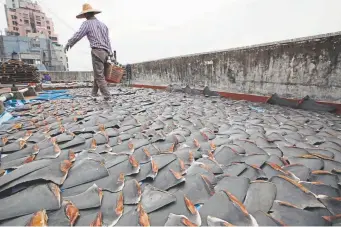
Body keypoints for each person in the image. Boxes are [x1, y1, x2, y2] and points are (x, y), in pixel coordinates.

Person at [64, 3, 113, 101]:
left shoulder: (87, 24)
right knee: (98, 73)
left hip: (97, 51)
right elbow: (108, 40)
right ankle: (94, 93)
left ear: (86, 15)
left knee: (99, 75)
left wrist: (69, 43)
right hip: (106, 52)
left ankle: (107, 96)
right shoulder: (103, 25)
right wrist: (110, 54)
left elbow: (78, 35)